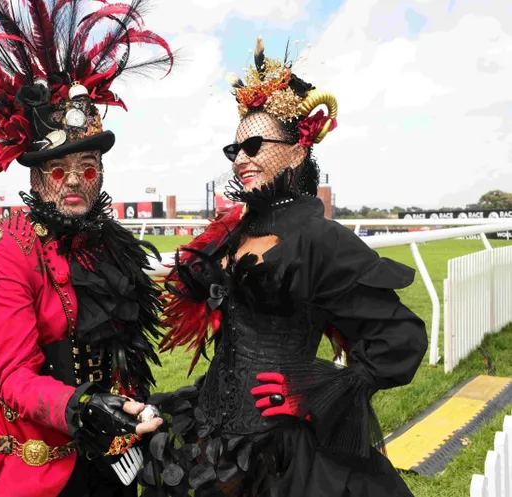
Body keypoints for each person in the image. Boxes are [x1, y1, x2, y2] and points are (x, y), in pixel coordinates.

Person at [139, 37, 428, 497]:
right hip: (210, 437)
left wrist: (313, 390)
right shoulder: (233, 232)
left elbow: (400, 339)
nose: (242, 159)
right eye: (235, 149)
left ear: (297, 152)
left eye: (255, 145)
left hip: (283, 457)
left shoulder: (320, 238)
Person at [0, 0, 174, 495]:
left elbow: (124, 348)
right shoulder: (9, 244)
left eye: (88, 168)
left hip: (116, 456)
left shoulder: (112, 243)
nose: (75, 181)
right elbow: (15, 376)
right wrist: (82, 405)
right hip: (45, 471)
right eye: (59, 170)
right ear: (37, 179)